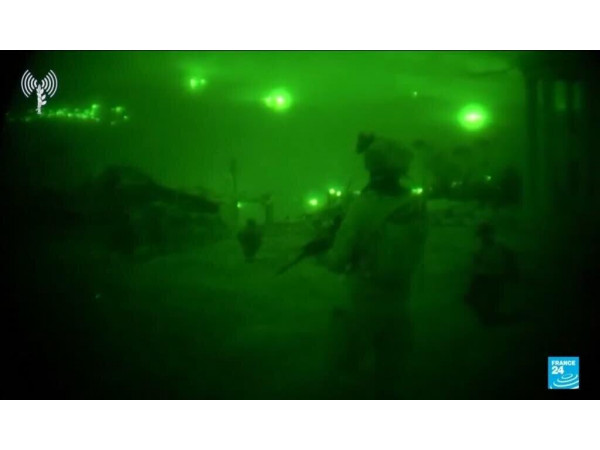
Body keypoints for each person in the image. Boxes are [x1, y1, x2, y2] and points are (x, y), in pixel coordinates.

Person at [326, 132, 427, 398]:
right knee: (391, 376)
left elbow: (338, 260)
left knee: (347, 372)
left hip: (363, 301)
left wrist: (323, 255)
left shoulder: (362, 206)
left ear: (371, 167)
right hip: (400, 302)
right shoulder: (416, 206)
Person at [464, 221, 519, 325]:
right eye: (482, 234)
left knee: (493, 297)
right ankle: (488, 316)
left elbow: (510, 257)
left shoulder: (499, 245)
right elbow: (477, 262)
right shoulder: (482, 247)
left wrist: (511, 271)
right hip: (486, 275)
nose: (483, 237)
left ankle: (489, 316)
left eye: (484, 234)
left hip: (494, 275)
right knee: (484, 297)